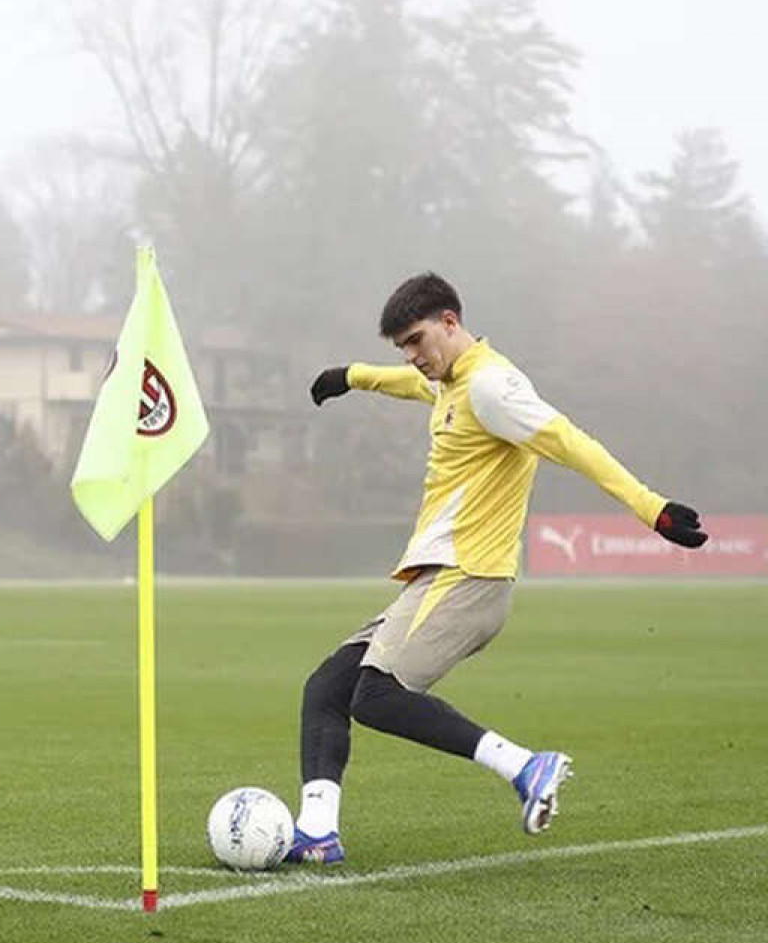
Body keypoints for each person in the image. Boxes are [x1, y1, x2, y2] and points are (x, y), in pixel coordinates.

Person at [292, 272, 706, 863]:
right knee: (327, 690)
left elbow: (569, 442)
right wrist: (351, 376)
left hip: (471, 577)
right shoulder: (451, 380)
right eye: (402, 347)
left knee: (376, 696)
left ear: (450, 322)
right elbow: (412, 384)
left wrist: (652, 508)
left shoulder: (491, 387)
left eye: (416, 341)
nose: (412, 357)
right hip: (440, 577)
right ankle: (317, 834)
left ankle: (525, 767)